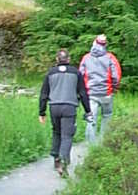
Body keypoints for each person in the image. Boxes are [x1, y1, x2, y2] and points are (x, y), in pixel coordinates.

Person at [39, 48, 92, 177]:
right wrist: (88, 111)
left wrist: (42, 112)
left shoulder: (50, 73)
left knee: (56, 132)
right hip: (69, 107)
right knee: (67, 135)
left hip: (54, 107)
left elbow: (44, 94)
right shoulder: (76, 73)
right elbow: (83, 93)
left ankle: (56, 158)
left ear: (57, 59)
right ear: (68, 59)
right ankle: (63, 161)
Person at [79, 33, 121, 143]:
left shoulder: (86, 58)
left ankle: (90, 144)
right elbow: (116, 76)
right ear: (105, 44)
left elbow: (80, 75)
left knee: (91, 118)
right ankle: (103, 141)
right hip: (106, 93)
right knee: (107, 116)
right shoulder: (110, 57)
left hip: (91, 93)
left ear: (94, 43)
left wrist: (81, 91)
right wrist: (115, 87)